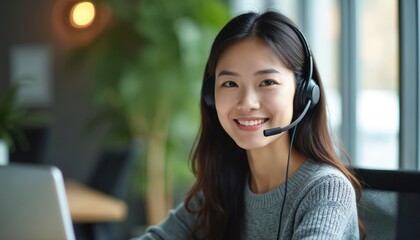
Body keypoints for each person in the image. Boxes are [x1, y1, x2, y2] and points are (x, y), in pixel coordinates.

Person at [135, 10, 364, 240]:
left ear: (302, 93)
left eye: (267, 82)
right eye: (230, 83)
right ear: (210, 95)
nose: (247, 103)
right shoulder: (224, 183)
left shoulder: (326, 190)